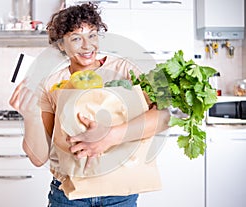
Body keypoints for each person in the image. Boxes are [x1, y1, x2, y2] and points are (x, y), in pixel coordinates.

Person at [9, 2, 170, 207]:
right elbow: (39, 158)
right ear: (61, 44)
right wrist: (30, 116)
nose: (87, 46)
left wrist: (109, 136)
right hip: (68, 197)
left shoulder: (126, 69)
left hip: (120, 193)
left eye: (92, 35)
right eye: (76, 38)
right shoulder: (50, 83)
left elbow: (164, 117)